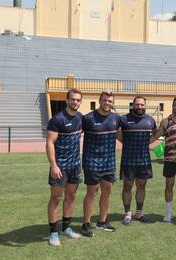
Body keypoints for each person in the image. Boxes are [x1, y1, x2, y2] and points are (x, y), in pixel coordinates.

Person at [46, 88, 83, 247]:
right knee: (56, 198)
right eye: (72, 99)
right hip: (60, 167)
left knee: (71, 196)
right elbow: (49, 142)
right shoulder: (57, 119)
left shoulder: (81, 117)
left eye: (78, 100)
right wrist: (53, 165)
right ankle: (53, 233)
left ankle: (66, 228)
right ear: (67, 100)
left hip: (75, 166)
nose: (75, 102)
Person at [81, 91, 120, 235]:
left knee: (107, 191)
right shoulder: (88, 118)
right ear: (99, 100)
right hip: (92, 161)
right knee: (92, 192)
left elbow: (122, 136)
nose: (107, 103)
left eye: (109, 101)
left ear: (113, 103)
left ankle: (102, 221)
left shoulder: (116, 118)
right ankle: (86, 224)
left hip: (109, 162)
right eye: (104, 100)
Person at [150, 97, 176, 223]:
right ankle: (168, 213)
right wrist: (139, 144)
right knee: (169, 185)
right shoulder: (165, 122)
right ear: (172, 105)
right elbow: (155, 137)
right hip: (169, 160)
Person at [119, 96, 157, 225]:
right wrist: (127, 143)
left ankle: (139, 213)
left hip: (144, 160)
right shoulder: (124, 119)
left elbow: (156, 134)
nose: (139, 107)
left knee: (141, 186)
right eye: (137, 105)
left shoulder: (150, 120)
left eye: (142, 105)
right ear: (132, 105)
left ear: (145, 106)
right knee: (127, 186)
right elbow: (118, 134)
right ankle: (127, 214)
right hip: (128, 160)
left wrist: (146, 143)